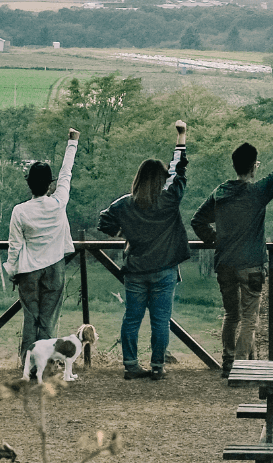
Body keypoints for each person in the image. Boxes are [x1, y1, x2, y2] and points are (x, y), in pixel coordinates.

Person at [191, 126, 273, 378]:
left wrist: (216, 241)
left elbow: (198, 221)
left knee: (231, 314)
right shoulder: (257, 194)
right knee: (249, 318)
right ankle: (240, 366)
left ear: (235, 165)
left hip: (224, 263)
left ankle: (227, 361)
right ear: (254, 166)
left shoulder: (221, 193)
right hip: (252, 266)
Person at [98, 120, 190, 381]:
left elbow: (104, 222)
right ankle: (158, 366)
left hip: (135, 270)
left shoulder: (124, 205)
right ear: (161, 179)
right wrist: (181, 138)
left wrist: (123, 233)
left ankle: (130, 364)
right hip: (164, 270)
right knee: (161, 322)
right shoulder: (169, 200)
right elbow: (178, 172)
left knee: (132, 319)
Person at [4, 128, 80, 365]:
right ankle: (43, 365)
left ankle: (27, 365)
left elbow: (15, 247)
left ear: (30, 184)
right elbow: (66, 173)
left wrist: (12, 272)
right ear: (49, 184)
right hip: (55, 269)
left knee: (31, 319)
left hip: (28, 271)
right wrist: (72, 142)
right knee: (47, 320)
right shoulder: (58, 203)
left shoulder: (20, 211)